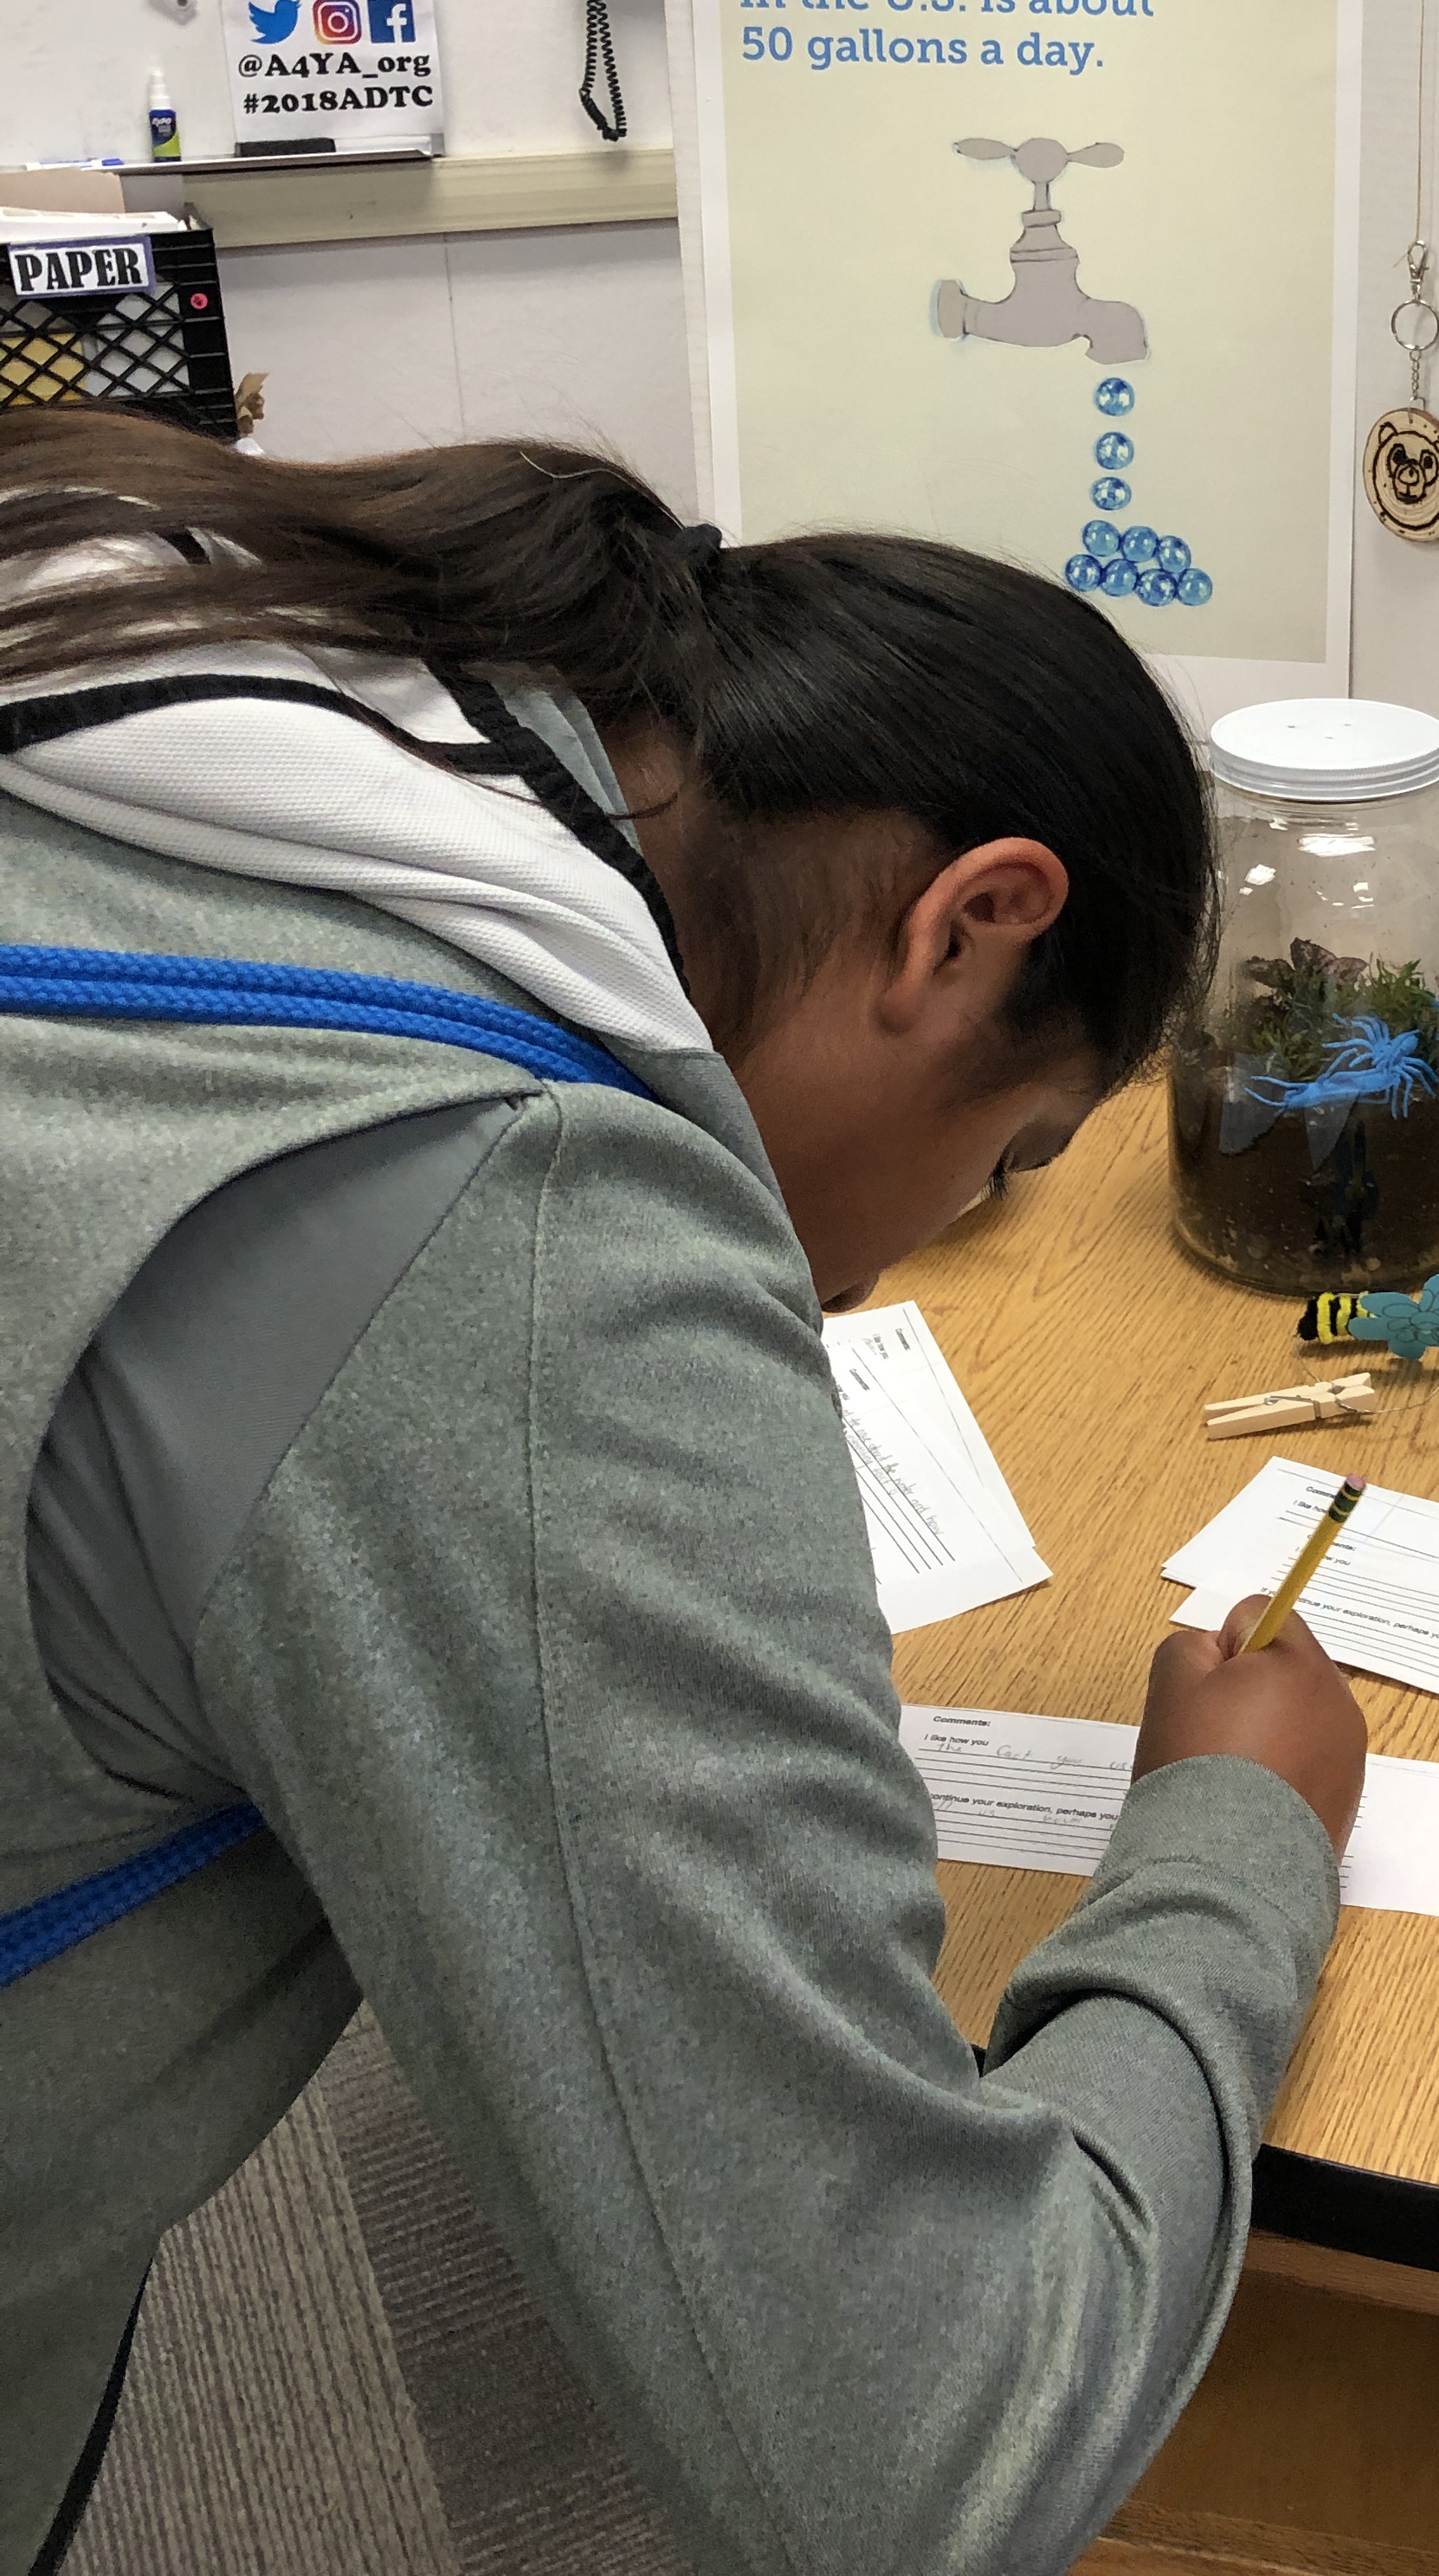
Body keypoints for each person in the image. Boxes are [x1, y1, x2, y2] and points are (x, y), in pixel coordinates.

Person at [0, 414, 1365, 2576]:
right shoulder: (515, 1241)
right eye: (1006, 1157)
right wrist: (1232, 1843)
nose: (876, 1279)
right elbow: (913, 2453)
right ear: (971, 925)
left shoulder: (185, 687)